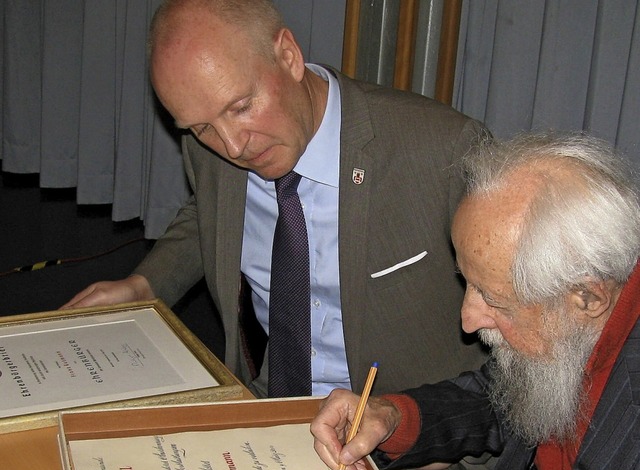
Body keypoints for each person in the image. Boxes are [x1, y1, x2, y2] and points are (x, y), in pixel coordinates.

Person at [62, 0, 487, 402]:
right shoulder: (208, 148)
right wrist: (145, 285)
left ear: (288, 56)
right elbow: (207, 215)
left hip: (403, 429)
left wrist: (432, 428)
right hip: (263, 402)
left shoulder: (444, 152)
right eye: (200, 127)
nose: (232, 145)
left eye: (242, 107)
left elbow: (525, 328)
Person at [285, 132, 640, 470]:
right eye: (468, 284)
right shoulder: (575, 321)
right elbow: (507, 397)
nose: (468, 320)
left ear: (587, 297)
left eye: (493, 299)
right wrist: (397, 418)